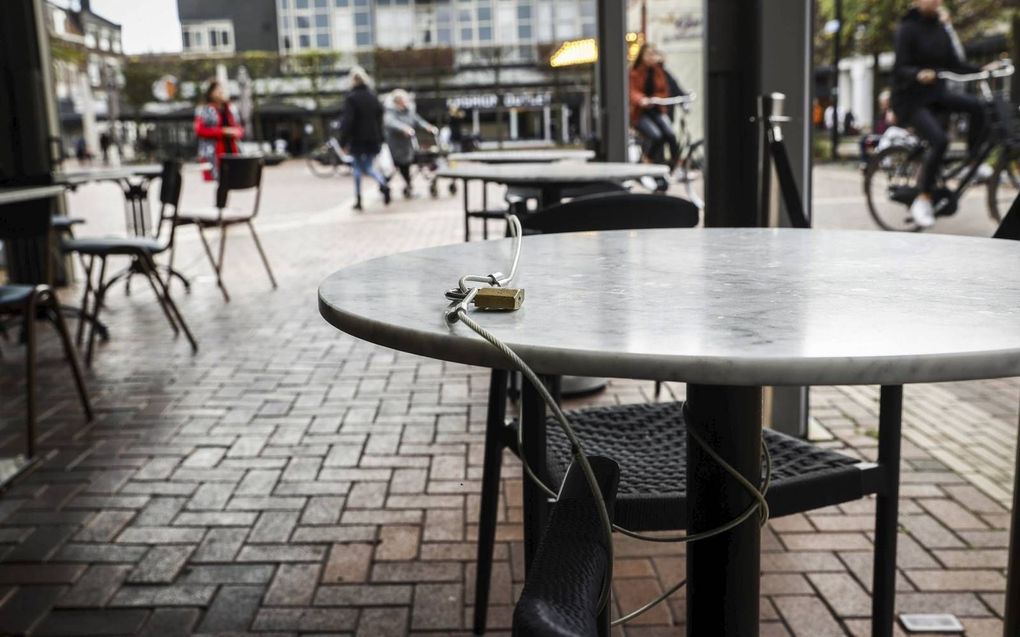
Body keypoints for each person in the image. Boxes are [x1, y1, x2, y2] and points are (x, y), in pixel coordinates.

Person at [891, 0, 990, 228]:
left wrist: (982, 71)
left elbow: (954, 64)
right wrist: (918, 74)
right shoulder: (907, 29)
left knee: (978, 107)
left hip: (935, 95)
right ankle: (922, 199)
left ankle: (972, 161)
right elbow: (900, 68)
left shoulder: (940, 29)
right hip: (910, 100)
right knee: (940, 141)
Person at [339, 66, 390, 211]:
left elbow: (347, 121)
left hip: (357, 139)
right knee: (368, 167)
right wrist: (380, 138)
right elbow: (380, 120)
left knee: (357, 168)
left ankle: (358, 199)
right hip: (373, 138)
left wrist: (343, 140)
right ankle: (383, 184)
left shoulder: (351, 98)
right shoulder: (373, 97)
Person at [629, 43, 680, 180]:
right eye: (649, 54)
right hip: (640, 113)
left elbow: (665, 89)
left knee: (670, 134)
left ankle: (675, 167)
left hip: (656, 110)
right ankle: (647, 161)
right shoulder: (634, 72)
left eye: (653, 54)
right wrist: (642, 100)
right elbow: (632, 91)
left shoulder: (659, 72)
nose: (652, 57)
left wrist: (657, 99)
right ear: (642, 56)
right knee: (656, 136)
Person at [384, 89, 439, 198]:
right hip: (395, 146)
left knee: (408, 164)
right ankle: (385, 184)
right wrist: (403, 129)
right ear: (397, 101)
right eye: (403, 100)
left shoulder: (409, 111)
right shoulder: (390, 112)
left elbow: (418, 121)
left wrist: (429, 127)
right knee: (399, 166)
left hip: (407, 146)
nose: (406, 102)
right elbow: (390, 122)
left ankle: (408, 186)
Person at [194, 79, 243, 181]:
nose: (220, 91)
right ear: (210, 92)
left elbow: (239, 127)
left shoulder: (231, 108)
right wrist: (222, 131)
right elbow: (199, 130)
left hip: (232, 149)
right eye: (217, 89)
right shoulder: (204, 109)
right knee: (215, 182)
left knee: (233, 180)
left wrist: (236, 132)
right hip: (212, 153)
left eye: (221, 89)